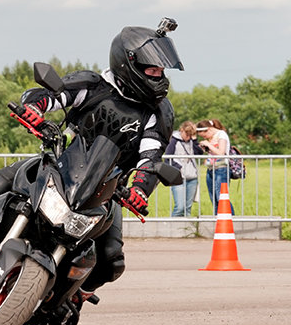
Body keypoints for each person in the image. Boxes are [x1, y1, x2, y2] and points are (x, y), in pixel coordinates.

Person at [13, 20, 183, 302]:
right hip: (59, 166)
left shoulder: (157, 113)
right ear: (129, 65)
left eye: (161, 70)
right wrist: (33, 109)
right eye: (153, 69)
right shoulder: (92, 85)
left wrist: (139, 190)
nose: (159, 76)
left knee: (111, 260)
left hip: (105, 190)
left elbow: (150, 158)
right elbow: (51, 95)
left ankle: (72, 298)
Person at [196, 119, 234, 215]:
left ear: (208, 129)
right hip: (211, 169)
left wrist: (208, 144)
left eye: (204, 135)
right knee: (214, 198)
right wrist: (206, 149)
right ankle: (219, 221)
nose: (205, 137)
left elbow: (221, 152)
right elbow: (214, 152)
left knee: (221, 198)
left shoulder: (221, 135)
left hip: (221, 169)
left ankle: (231, 219)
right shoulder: (212, 137)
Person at [166, 120, 203, 217]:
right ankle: (172, 228)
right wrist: (178, 167)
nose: (188, 137)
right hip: (179, 177)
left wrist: (194, 140)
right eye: (187, 134)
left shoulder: (191, 141)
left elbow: (199, 153)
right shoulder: (173, 141)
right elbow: (167, 158)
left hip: (192, 177)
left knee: (187, 208)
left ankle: (186, 230)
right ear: (181, 130)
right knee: (180, 207)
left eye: (190, 135)